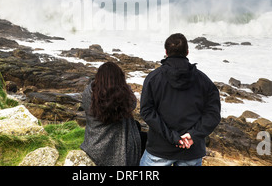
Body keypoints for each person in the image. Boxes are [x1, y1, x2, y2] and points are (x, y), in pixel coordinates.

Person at [140, 33, 221, 166]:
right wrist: (192, 135)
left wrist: (174, 138)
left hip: (160, 150)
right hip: (191, 150)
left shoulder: (153, 79)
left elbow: (147, 112)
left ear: (166, 52)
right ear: (187, 52)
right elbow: (213, 114)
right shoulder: (203, 81)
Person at [80, 61, 143, 166]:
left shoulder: (88, 93)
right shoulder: (123, 96)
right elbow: (133, 105)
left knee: (137, 125)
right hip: (121, 149)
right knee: (140, 133)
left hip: (94, 146)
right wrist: (125, 88)